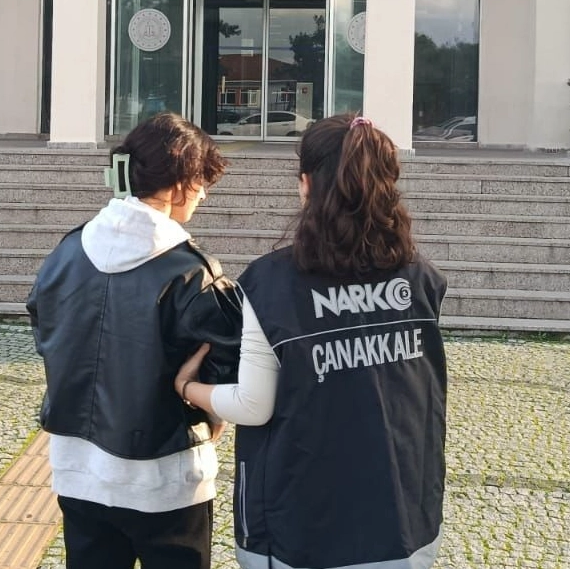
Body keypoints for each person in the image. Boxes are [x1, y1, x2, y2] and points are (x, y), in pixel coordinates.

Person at [175, 114, 449, 569]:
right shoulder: (422, 278)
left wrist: (188, 388)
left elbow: (253, 404)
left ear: (306, 185)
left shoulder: (271, 283)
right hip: (404, 519)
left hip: (299, 525)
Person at [27, 113, 242, 569]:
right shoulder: (192, 272)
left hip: (78, 467)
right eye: (201, 183)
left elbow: (45, 330)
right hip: (166, 474)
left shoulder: (67, 252)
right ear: (181, 183)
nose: (203, 195)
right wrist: (209, 413)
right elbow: (228, 368)